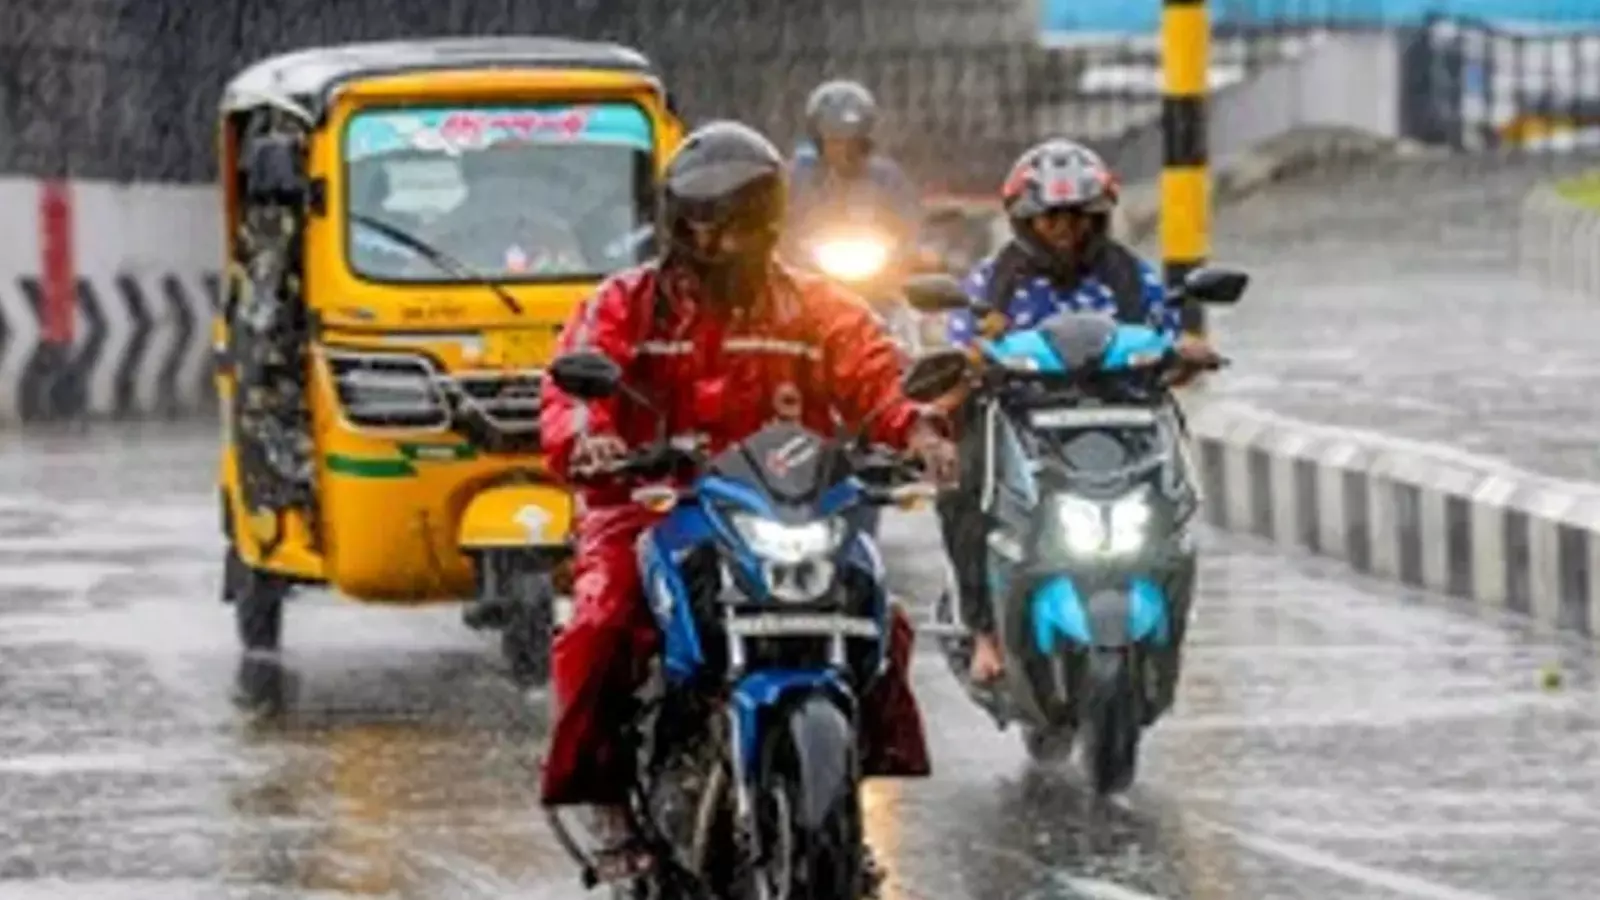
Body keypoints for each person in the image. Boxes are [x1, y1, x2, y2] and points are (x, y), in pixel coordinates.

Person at [537, 119, 956, 870]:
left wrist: (919, 429)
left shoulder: (818, 308)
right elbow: (574, 383)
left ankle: (852, 773)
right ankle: (603, 794)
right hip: (652, 502)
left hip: (788, 506)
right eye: (692, 219)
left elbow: (880, 377)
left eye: (723, 221)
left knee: (875, 614)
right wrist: (591, 440)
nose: (705, 238)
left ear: (762, 221)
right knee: (604, 620)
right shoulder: (627, 303)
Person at [939, 138, 1221, 686]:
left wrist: (1186, 350)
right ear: (1025, 221)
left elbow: (1167, 333)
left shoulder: (1130, 279)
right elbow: (961, 347)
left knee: (1175, 502)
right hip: (1022, 425)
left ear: (1098, 219)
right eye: (1049, 220)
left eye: (1076, 218)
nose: (1064, 231)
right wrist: (963, 366)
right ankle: (984, 631)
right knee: (961, 490)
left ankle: (1167, 617)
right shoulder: (992, 284)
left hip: (1122, 425)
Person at [786, 79, 923, 263]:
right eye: (835, 141)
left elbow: (908, 225)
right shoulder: (795, 177)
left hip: (876, 273)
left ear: (865, 141)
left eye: (852, 141)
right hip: (806, 273)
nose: (843, 149)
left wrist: (909, 249)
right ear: (818, 141)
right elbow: (777, 226)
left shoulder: (887, 178)